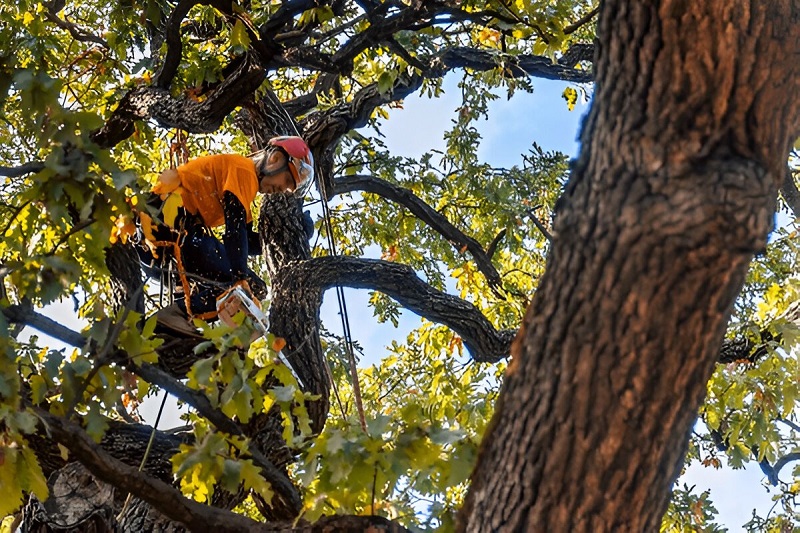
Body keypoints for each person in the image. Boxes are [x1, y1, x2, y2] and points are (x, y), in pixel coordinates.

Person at [135, 136, 314, 335]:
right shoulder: (243, 170)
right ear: (275, 159)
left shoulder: (242, 185)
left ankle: (174, 327)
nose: (283, 189)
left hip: (162, 243)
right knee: (244, 287)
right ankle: (174, 319)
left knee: (250, 287)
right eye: (287, 180)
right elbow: (234, 230)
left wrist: (293, 234)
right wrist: (239, 278)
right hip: (164, 225)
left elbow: (247, 241)